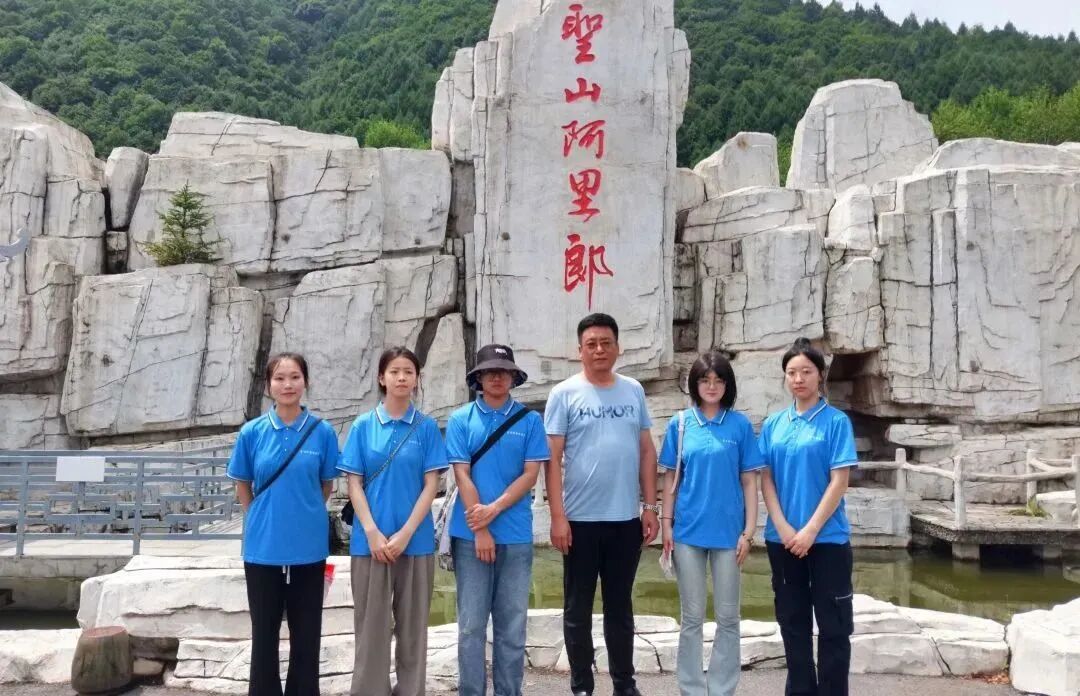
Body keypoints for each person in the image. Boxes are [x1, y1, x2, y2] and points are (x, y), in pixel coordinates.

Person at [544, 313, 659, 696]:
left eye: (606, 343)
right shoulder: (564, 394)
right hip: (579, 520)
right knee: (577, 610)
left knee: (619, 608)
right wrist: (557, 516)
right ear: (579, 350)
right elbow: (552, 458)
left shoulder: (633, 391)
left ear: (617, 348)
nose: (599, 350)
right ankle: (582, 686)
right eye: (591, 344)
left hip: (624, 520)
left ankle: (625, 685)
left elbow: (646, 450)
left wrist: (650, 507)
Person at [227, 352, 341, 696]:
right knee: (264, 634)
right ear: (268, 385)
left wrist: (304, 512)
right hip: (263, 548)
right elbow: (242, 483)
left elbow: (326, 485)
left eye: (294, 377)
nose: (287, 384)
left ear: (305, 382)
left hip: (309, 547)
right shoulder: (252, 432)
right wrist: (259, 516)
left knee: (307, 633)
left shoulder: (322, 432)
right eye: (279, 378)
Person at [338, 347, 449, 696]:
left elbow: (431, 484)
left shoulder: (426, 427)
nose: (402, 377)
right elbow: (353, 482)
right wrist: (371, 531)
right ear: (381, 378)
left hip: (415, 542)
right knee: (371, 629)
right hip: (369, 543)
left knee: (413, 629)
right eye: (395, 371)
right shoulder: (363, 426)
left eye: (408, 372)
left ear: (417, 379)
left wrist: (406, 533)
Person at [446, 344, 549, 696]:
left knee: (512, 627)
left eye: (503, 371)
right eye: (489, 371)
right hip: (470, 536)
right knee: (471, 627)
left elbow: (530, 475)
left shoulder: (529, 421)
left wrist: (494, 509)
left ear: (513, 377)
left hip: (516, 535)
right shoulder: (461, 419)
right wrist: (482, 528)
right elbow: (462, 474)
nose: (496, 376)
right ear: (478, 377)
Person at [659, 351, 762, 696]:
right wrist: (666, 525)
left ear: (728, 385)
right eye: (705, 380)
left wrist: (749, 531)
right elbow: (670, 479)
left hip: (729, 535)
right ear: (695, 384)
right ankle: (691, 688)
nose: (712, 386)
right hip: (687, 533)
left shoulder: (739, 426)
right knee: (691, 618)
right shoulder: (680, 424)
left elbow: (749, 481)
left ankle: (721, 689)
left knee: (728, 618)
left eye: (719, 380)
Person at [759, 338, 858, 696]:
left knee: (834, 626)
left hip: (827, 539)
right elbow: (765, 478)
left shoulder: (836, 422)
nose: (798, 379)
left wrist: (811, 530)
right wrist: (784, 528)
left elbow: (839, 480)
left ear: (820, 375)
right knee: (793, 623)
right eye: (791, 372)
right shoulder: (773, 424)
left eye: (806, 371)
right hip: (783, 540)